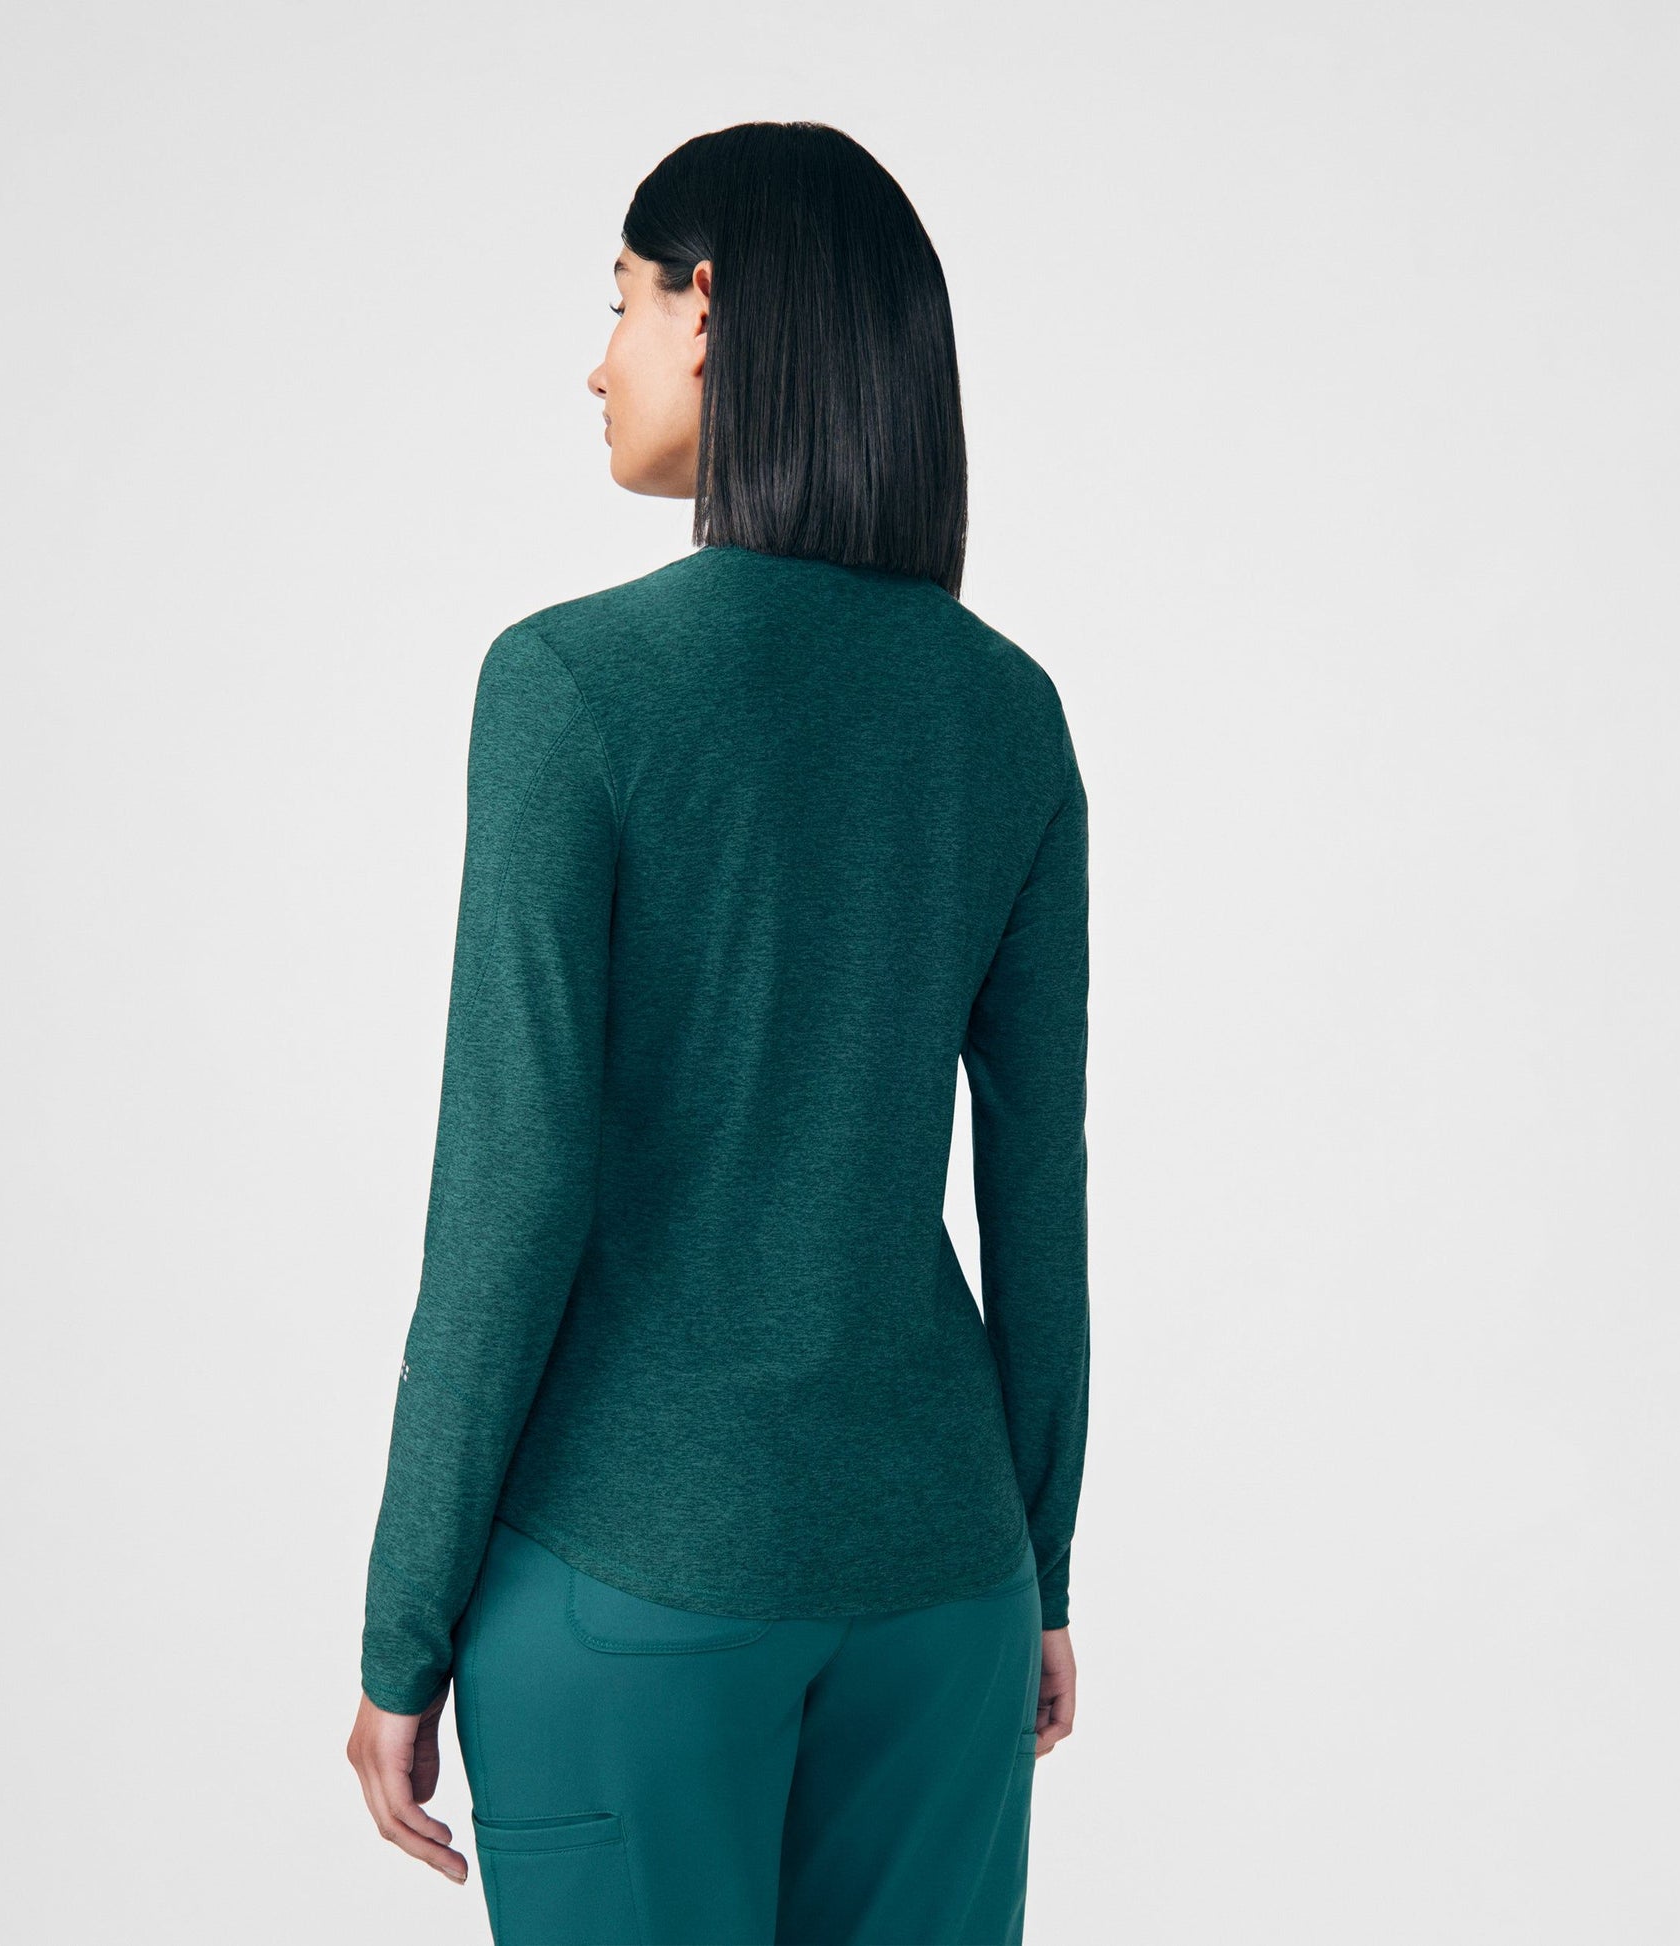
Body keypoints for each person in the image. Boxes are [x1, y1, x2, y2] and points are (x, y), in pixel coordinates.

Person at [347, 120, 1091, 1946]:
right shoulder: (1006, 713)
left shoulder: (570, 685)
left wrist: (402, 1627)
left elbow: (508, 1193)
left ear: (709, 306)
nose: (597, 361)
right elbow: (1038, 1195)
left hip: (633, 1577)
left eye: (616, 301)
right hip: (945, 1584)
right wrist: (1042, 1563)